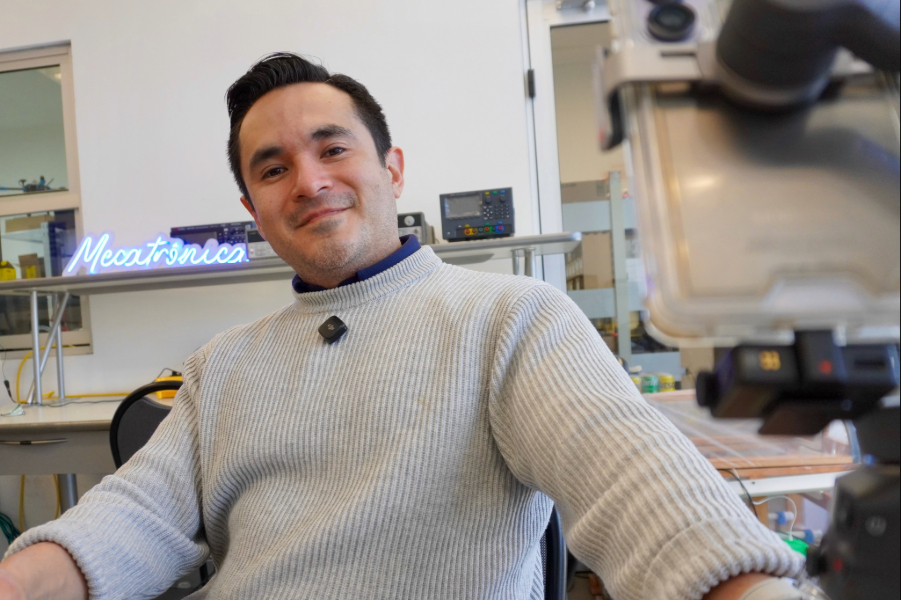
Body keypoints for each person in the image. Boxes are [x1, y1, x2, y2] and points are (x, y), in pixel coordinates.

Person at [0, 53, 805, 600]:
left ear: (391, 168)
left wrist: (739, 582)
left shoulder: (509, 319)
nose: (308, 182)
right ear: (253, 211)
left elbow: (631, 478)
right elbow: (132, 516)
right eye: (273, 168)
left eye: (332, 149)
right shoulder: (222, 366)